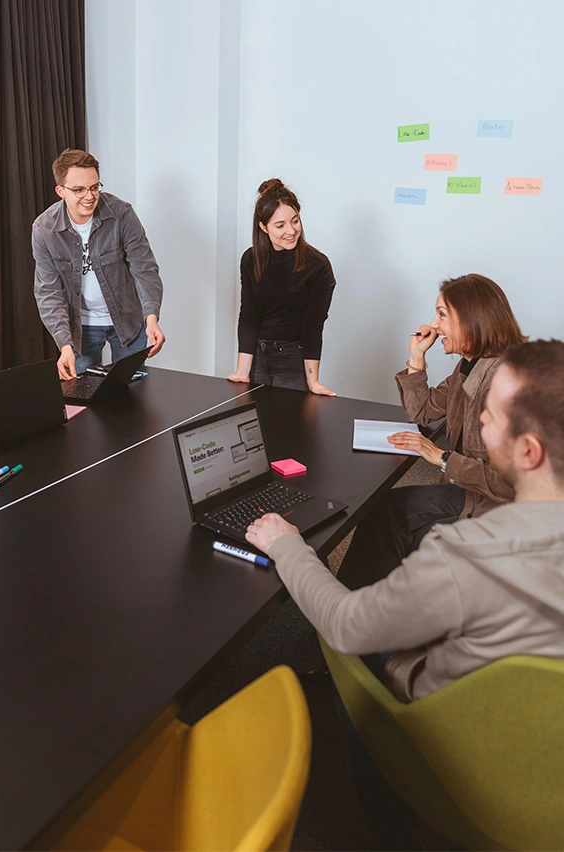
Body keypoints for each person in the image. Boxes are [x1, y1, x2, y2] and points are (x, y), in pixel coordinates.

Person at [246, 338, 564, 847]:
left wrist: (288, 546)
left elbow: (348, 625)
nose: (479, 419)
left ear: (529, 451)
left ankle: (388, 825)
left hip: (466, 763)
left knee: (347, 641)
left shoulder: (464, 554)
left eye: (493, 414)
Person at [336, 273, 526, 590]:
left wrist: (439, 456)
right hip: (471, 492)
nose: (433, 325)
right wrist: (416, 358)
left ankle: (346, 614)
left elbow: (510, 483)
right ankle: (364, 607)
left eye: (442, 315)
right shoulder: (468, 366)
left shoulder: (509, 384)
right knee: (385, 511)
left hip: (496, 507)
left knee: (391, 517)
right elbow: (422, 411)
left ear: (472, 319)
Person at [32, 148, 165, 380]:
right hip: (80, 328)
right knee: (83, 398)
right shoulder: (44, 229)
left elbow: (144, 269)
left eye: (94, 187)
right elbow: (48, 292)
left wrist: (151, 318)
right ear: (60, 191)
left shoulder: (121, 214)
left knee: (133, 398)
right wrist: (64, 344)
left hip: (127, 321)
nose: (90, 196)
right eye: (79, 189)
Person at [227, 179, 336, 394]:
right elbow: (249, 316)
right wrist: (242, 371)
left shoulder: (318, 265)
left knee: (287, 425)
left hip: (293, 358)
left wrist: (313, 382)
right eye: (280, 225)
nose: (291, 230)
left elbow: (313, 325)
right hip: (258, 354)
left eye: (295, 221)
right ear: (263, 227)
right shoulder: (250, 260)